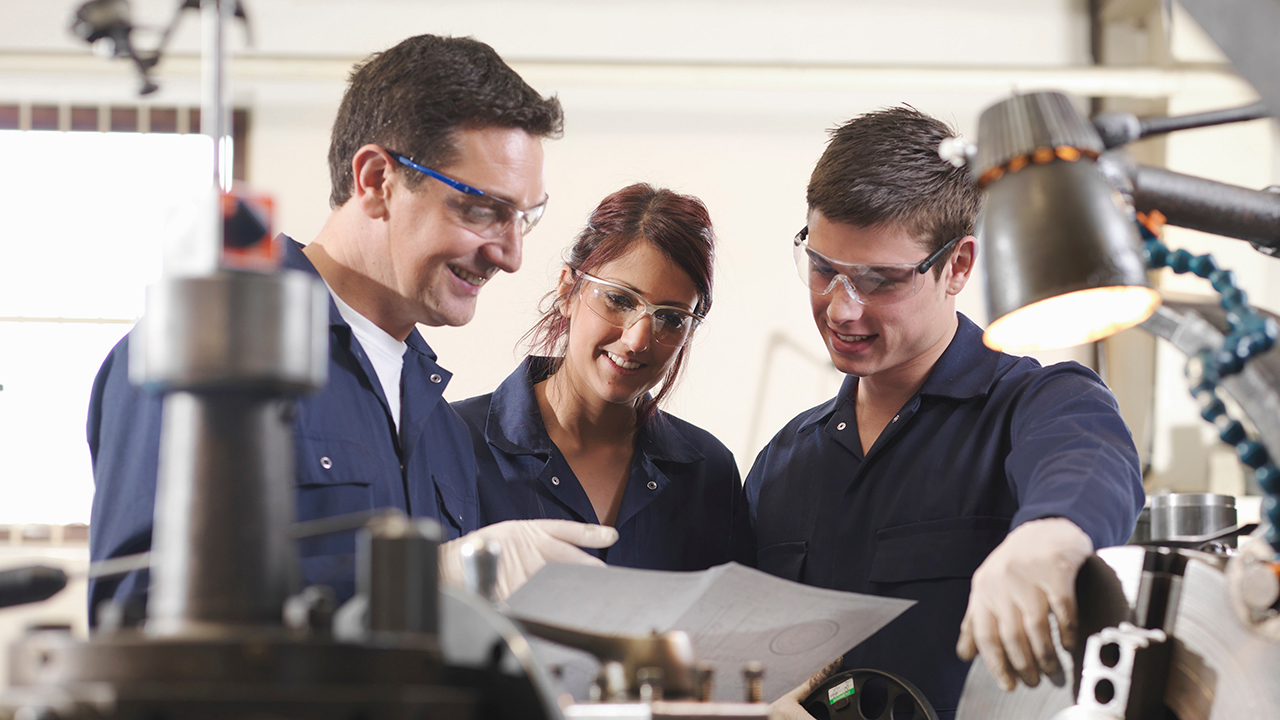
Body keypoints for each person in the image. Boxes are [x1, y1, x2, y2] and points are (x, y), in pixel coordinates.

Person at [87, 34, 617, 620]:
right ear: (375, 180)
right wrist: (420, 580)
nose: (511, 255)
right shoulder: (210, 362)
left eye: (525, 217)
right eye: (481, 209)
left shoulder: (441, 426)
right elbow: (134, 617)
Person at [744, 107, 1144, 720]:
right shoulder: (782, 465)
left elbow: (1088, 459)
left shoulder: (1034, 406)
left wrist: (1051, 535)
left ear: (957, 266)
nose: (842, 309)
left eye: (880, 280)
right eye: (824, 269)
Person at [453, 183, 752, 573]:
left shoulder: (708, 475)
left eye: (671, 318)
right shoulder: (452, 442)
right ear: (567, 290)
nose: (637, 340)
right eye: (620, 299)